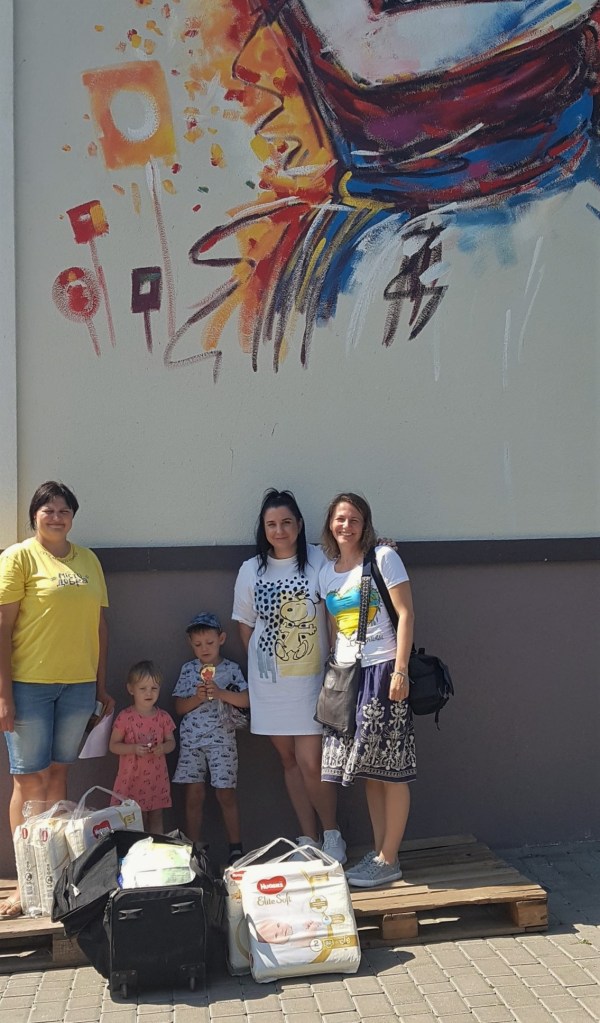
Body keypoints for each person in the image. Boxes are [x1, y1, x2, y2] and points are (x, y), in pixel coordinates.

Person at [0, 480, 113, 918]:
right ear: (35, 515)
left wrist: (100, 686)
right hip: (28, 686)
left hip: (78, 686)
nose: (56, 517)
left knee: (60, 776)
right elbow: (3, 628)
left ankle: (57, 877)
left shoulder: (88, 561)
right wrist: (4, 694)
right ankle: (26, 883)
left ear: (73, 517)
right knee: (30, 782)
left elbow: (100, 627)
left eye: (64, 510)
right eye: (48, 510)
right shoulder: (19, 557)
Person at [233, 488, 346, 863]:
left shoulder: (319, 560)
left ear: (299, 524)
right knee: (289, 762)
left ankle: (332, 835)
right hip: (270, 687)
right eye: (271, 524)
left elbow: (337, 603)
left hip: (313, 683)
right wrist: (263, 666)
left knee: (312, 762)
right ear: (263, 529)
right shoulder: (251, 570)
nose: (279, 530)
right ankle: (307, 838)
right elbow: (245, 625)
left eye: (286, 522)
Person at [318, 493, 416, 889]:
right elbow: (332, 627)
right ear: (330, 524)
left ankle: (390, 858)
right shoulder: (326, 572)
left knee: (391, 770)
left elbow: (406, 614)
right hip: (347, 677)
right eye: (340, 519)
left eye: (354, 519)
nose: (346, 526)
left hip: (383, 669)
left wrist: (400, 671)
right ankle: (379, 853)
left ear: (365, 524)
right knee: (370, 771)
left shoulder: (383, 558)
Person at [172, 612, 249, 863]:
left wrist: (220, 693)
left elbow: (246, 700)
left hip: (222, 739)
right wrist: (198, 697)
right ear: (190, 644)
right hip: (192, 740)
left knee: (225, 793)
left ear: (221, 639)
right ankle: (193, 849)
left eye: (209, 642)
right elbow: (179, 707)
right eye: (198, 644)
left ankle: (235, 847)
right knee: (193, 794)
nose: (204, 648)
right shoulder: (188, 670)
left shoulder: (231, 669)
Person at [109, 660, 176, 833]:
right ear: (131, 689)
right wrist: (133, 749)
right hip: (131, 778)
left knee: (156, 815)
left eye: (154, 688)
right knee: (134, 817)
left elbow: (172, 742)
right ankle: (137, 848)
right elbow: (113, 745)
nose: (149, 693)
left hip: (156, 778)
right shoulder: (125, 717)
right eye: (143, 688)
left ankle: (157, 846)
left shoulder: (163, 717)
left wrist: (163, 748)